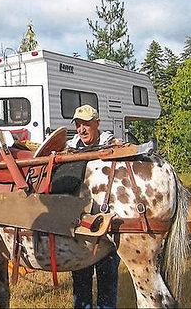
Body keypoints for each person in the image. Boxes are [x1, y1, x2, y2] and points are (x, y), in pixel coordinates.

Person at [66, 104, 120, 309]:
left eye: (86, 124)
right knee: (81, 284)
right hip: (81, 230)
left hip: (107, 229)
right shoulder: (71, 148)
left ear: (97, 124)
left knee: (107, 285)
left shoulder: (111, 145)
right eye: (78, 124)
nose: (82, 129)